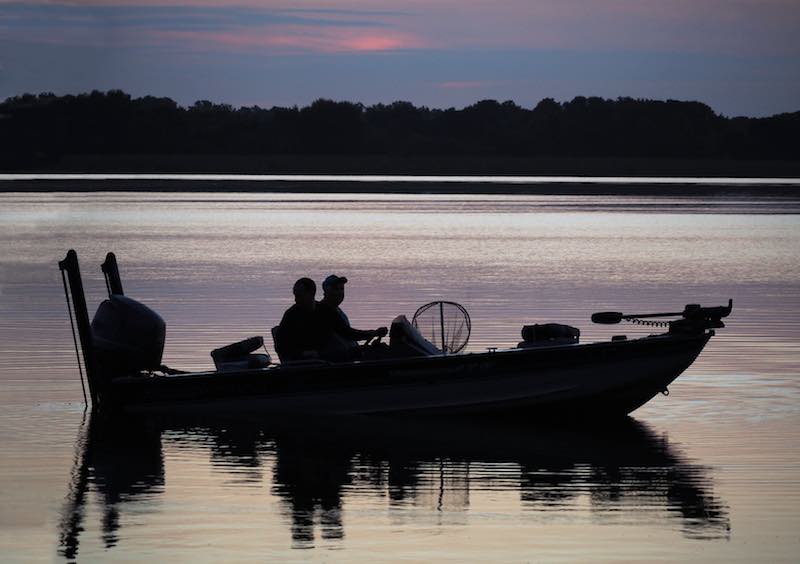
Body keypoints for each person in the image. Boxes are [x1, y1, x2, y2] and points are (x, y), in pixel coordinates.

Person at [316, 274, 388, 359]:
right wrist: (373, 333)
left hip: (349, 354)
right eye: (336, 289)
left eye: (342, 289)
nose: (340, 292)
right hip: (339, 359)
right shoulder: (324, 311)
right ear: (326, 291)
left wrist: (371, 336)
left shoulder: (337, 310)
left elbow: (349, 335)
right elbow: (348, 333)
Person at [276, 277, 324, 362]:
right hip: (299, 361)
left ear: (312, 293)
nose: (295, 299)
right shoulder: (291, 314)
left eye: (299, 295)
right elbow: (280, 346)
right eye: (295, 295)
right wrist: (303, 353)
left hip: (323, 358)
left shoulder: (324, 310)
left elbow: (343, 330)